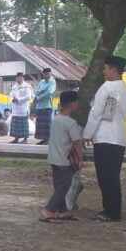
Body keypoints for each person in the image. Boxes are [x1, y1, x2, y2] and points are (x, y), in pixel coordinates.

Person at [83, 55, 126, 222]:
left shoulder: (107, 87)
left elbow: (96, 112)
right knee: (113, 175)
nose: (103, 72)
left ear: (113, 70)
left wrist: (87, 134)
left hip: (105, 136)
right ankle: (113, 209)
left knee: (105, 176)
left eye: (105, 68)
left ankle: (111, 211)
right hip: (119, 136)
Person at [41, 91, 84, 222]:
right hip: (65, 161)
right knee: (64, 187)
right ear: (72, 104)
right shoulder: (71, 123)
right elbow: (77, 143)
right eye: (76, 102)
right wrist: (80, 159)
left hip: (54, 158)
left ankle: (63, 210)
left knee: (58, 185)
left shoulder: (56, 120)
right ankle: (49, 210)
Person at [9, 72, 34, 144]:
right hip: (15, 109)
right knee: (16, 124)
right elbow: (10, 95)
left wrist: (18, 99)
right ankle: (16, 138)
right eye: (17, 78)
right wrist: (12, 99)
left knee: (24, 125)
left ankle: (25, 139)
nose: (18, 80)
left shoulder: (27, 86)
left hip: (23, 109)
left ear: (23, 78)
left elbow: (28, 97)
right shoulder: (14, 87)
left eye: (20, 78)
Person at [34, 67, 56, 145]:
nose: (46, 75)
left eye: (48, 74)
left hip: (47, 106)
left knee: (47, 124)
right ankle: (43, 139)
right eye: (45, 74)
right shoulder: (42, 82)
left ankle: (48, 139)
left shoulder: (52, 82)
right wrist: (42, 90)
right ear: (43, 74)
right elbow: (35, 91)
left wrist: (39, 97)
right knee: (40, 125)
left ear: (50, 74)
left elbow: (49, 92)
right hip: (39, 106)